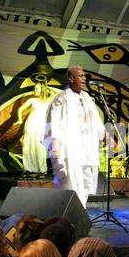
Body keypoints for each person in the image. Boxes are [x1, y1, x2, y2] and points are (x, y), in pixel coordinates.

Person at [42, 66, 105, 207]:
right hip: (70, 148)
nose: (84, 79)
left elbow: (95, 119)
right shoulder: (61, 98)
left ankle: (80, 212)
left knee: (86, 181)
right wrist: (55, 144)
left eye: (84, 76)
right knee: (71, 182)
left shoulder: (87, 97)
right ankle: (70, 216)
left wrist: (105, 135)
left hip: (86, 148)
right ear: (71, 78)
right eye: (80, 76)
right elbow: (54, 122)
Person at [16, 82, 58, 177]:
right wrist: (20, 119)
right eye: (34, 89)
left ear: (42, 90)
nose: (34, 91)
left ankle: (41, 171)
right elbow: (20, 109)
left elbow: (59, 92)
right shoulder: (32, 100)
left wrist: (48, 87)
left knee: (40, 148)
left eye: (37, 89)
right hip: (31, 125)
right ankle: (29, 170)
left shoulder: (48, 100)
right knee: (29, 147)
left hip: (41, 127)